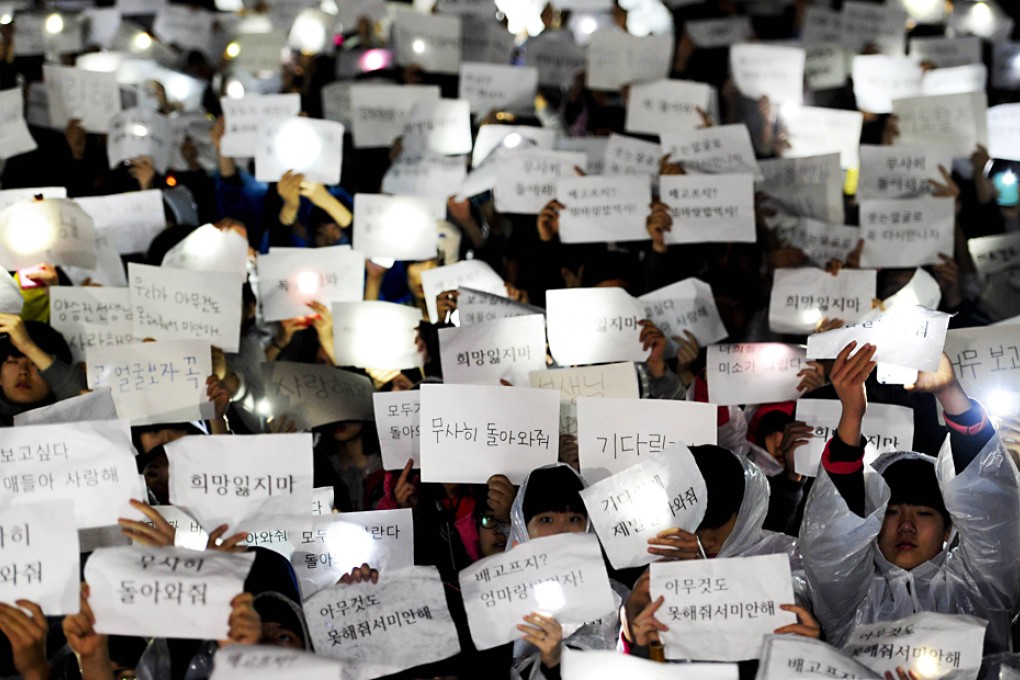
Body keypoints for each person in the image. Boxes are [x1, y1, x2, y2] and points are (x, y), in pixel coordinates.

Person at [800, 342, 1020, 656]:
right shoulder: (846, 596)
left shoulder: (980, 588)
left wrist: (949, 392)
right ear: (870, 525)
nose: (906, 526)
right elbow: (832, 540)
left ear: (949, 530)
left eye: (924, 513)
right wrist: (851, 415)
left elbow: (992, 509)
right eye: (891, 512)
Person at [0, 314, 85, 425]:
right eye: (13, 362)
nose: (23, 371)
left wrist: (28, 346)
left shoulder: (73, 418)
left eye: (34, 363)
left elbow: (79, 398)